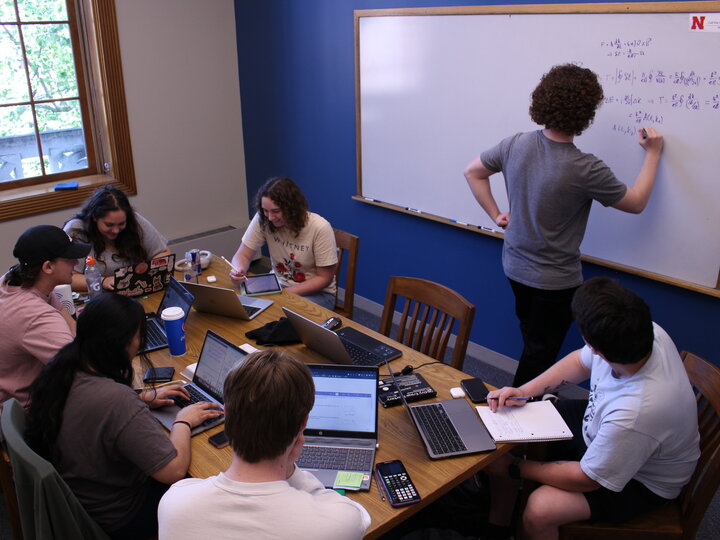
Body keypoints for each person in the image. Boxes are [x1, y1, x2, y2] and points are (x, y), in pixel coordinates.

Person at [464, 63, 664, 386]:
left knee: (533, 343)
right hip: (554, 284)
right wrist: (653, 154)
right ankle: (515, 412)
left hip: (514, 268)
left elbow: (472, 171)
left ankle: (529, 402)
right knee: (539, 357)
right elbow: (637, 202)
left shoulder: (516, 143)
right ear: (585, 114)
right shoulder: (584, 168)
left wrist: (496, 214)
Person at [482, 277, 699, 540]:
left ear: (599, 350)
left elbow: (588, 478)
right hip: (609, 428)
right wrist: (525, 392)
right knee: (513, 422)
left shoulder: (637, 412)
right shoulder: (645, 333)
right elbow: (580, 362)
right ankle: (497, 528)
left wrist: (515, 468)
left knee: (541, 508)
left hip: (643, 480)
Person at [25, 293, 223, 540]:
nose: (140, 342)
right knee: (211, 486)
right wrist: (183, 420)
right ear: (123, 343)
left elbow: (96, 409)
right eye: (139, 336)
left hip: (84, 493)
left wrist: (141, 397)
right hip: (122, 515)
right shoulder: (116, 400)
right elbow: (173, 471)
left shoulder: (65, 365)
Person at [158, 349, 371, 539]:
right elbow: (360, 517)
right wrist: (291, 469)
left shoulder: (175, 502)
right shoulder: (338, 522)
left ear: (228, 415)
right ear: (303, 424)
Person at [0, 225, 90, 408]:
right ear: (48, 267)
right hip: (31, 414)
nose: (76, 263)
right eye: (69, 258)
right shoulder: (35, 316)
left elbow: (72, 328)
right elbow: (82, 374)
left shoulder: (12, 280)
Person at [230, 177, 338, 309]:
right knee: (238, 303)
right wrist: (238, 269)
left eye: (276, 211)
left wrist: (284, 295)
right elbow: (243, 255)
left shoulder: (320, 228)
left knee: (276, 315)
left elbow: (324, 278)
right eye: (265, 210)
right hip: (277, 285)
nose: (270, 217)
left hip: (318, 293)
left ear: (292, 208)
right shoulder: (263, 218)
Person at [64, 185, 170, 292]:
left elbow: (163, 253)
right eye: (109, 225)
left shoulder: (134, 221)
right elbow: (67, 278)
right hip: (96, 296)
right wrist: (103, 281)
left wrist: (148, 272)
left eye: (121, 224)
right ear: (94, 217)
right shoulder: (76, 230)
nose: (116, 230)